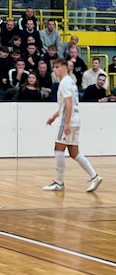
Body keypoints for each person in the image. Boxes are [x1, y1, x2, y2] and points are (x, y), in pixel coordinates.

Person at [42, 59, 103, 192]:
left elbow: (68, 103)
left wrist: (66, 123)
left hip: (68, 120)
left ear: (64, 67)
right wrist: (54, 116)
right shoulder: (71, 82)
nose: (54, 70)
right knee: (74, 152)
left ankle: (59, 182)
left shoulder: (64, 83)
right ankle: (95, 176)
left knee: (58, 149)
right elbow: (66, 105)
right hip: (76, 119)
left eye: (57, 67)